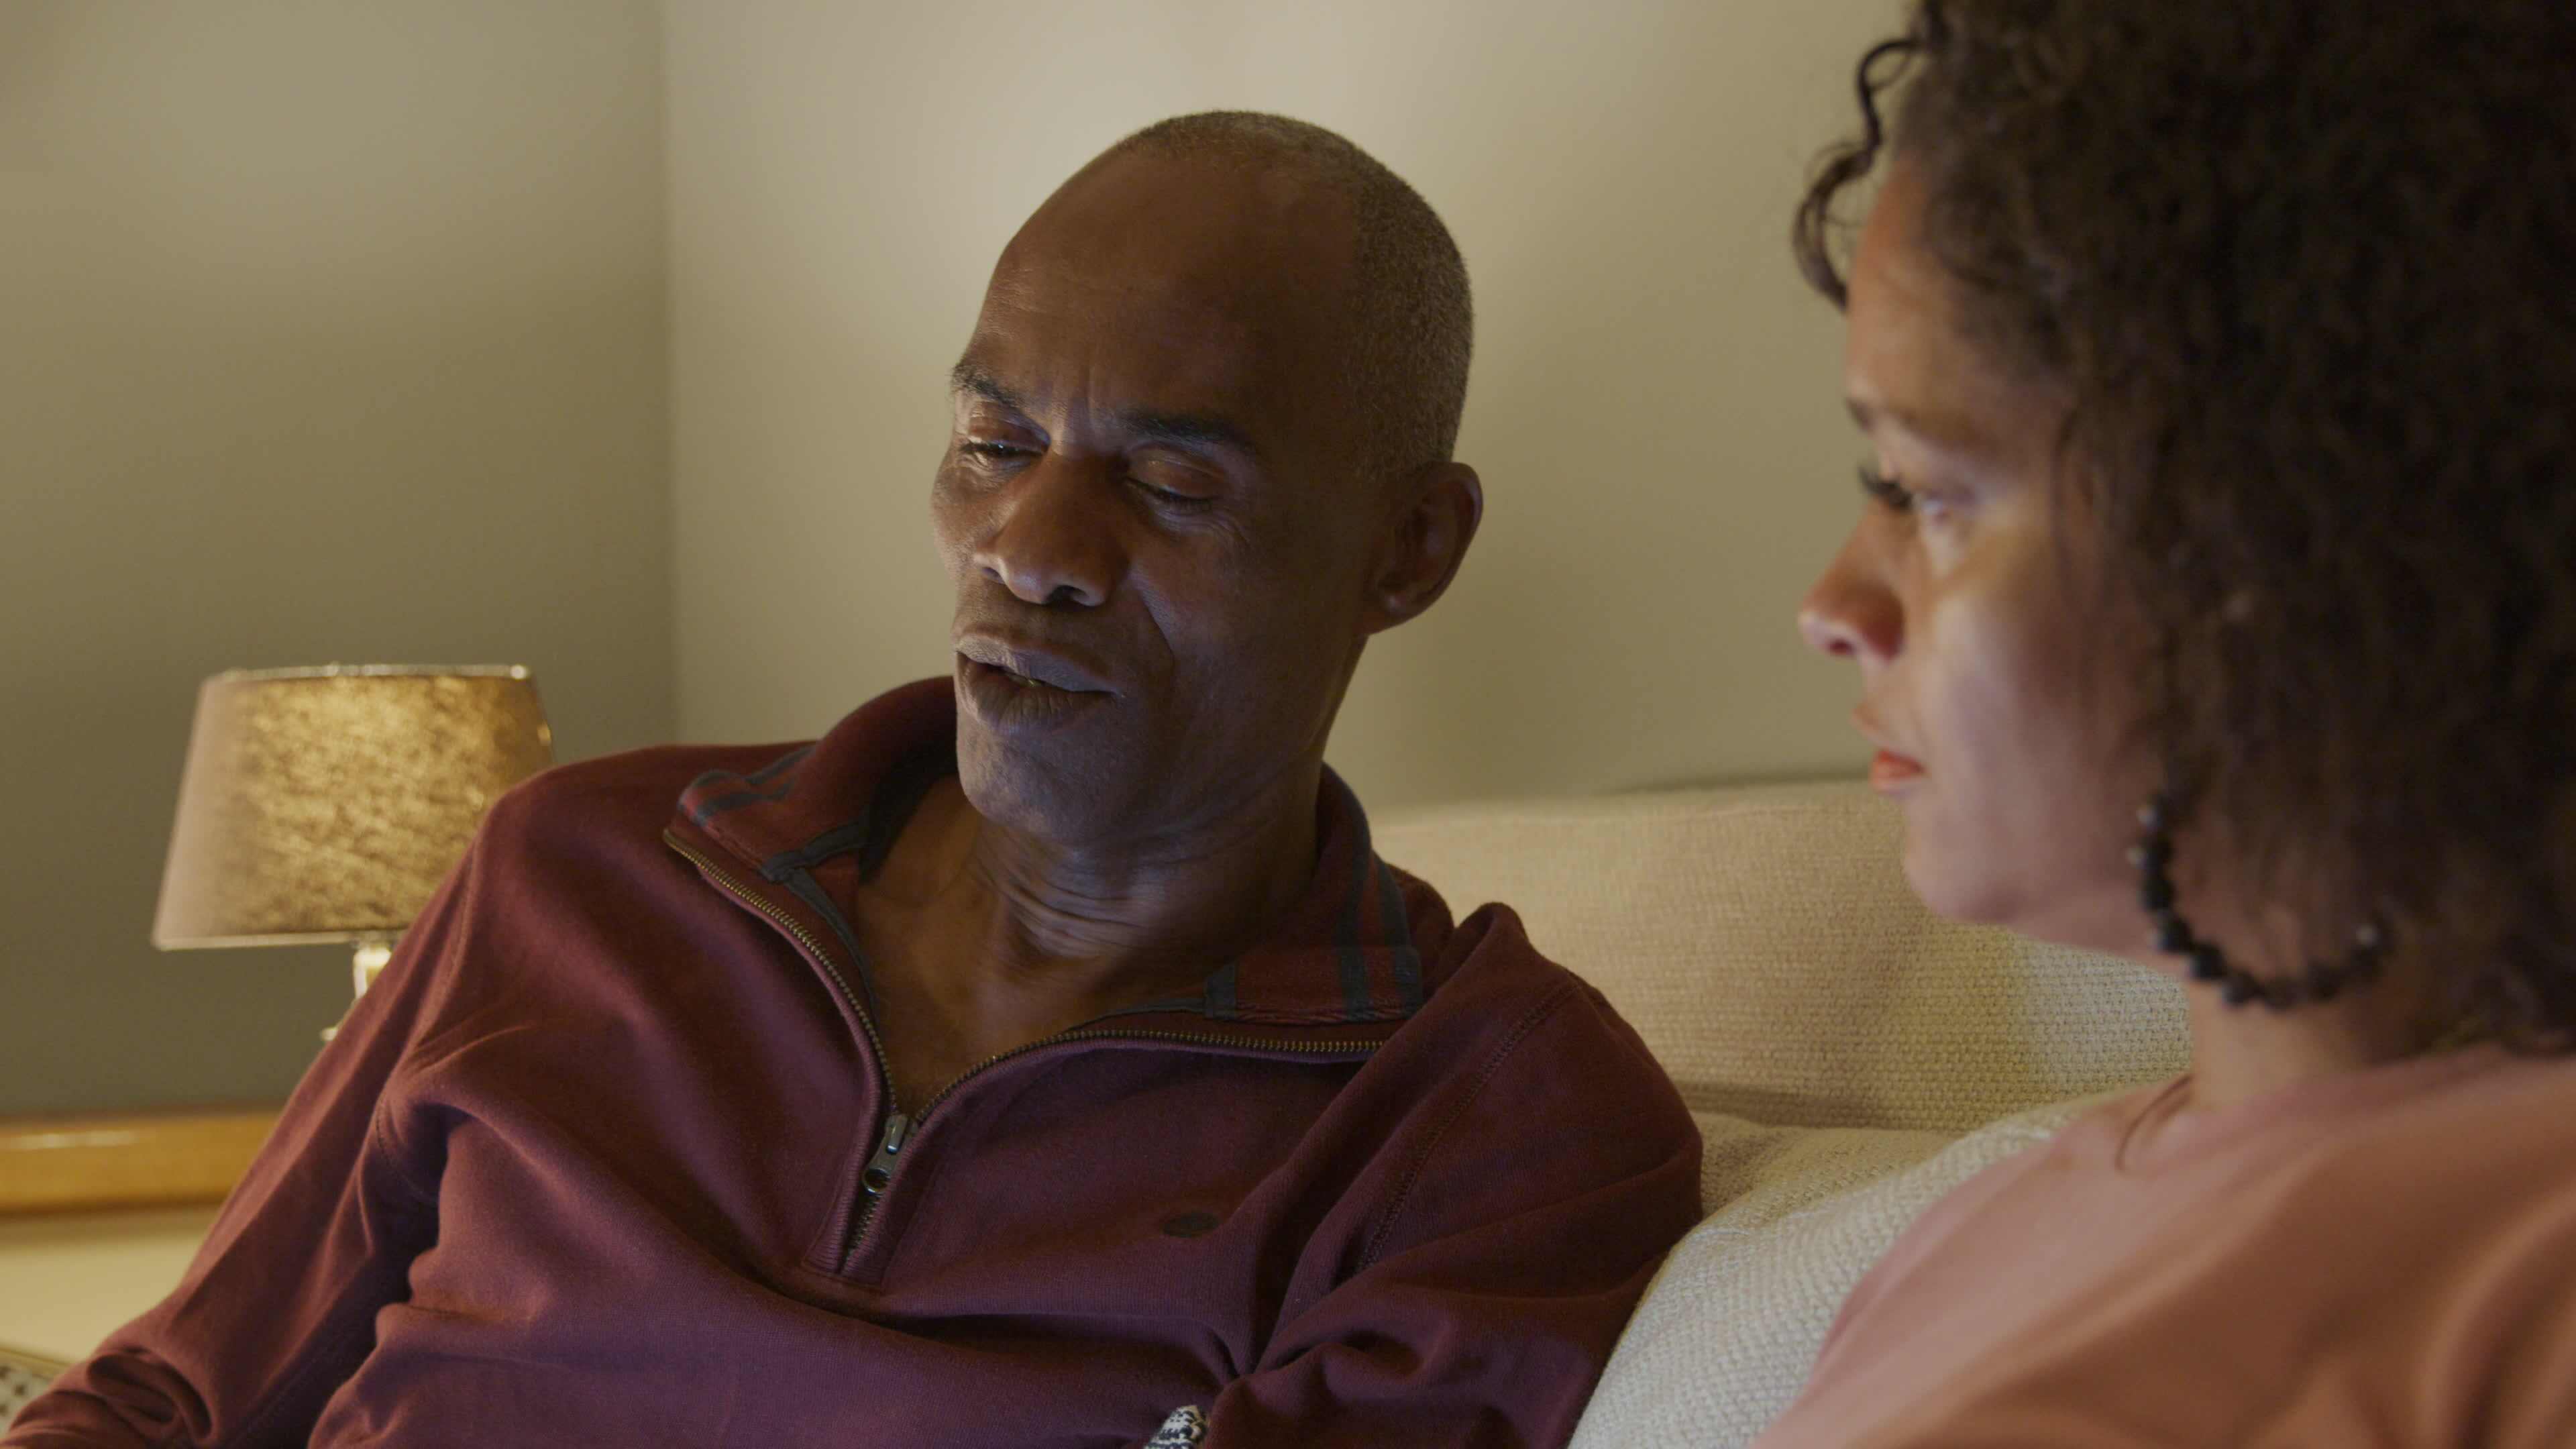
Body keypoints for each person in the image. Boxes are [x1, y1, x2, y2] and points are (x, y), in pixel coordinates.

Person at [7, 113, 1699, 1449]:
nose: (1030, 550)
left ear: (1410, 548)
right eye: (994, 443)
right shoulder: (580, 870)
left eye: (1171, 479)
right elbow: (175, 1403)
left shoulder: (1489, 1126)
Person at [1761, 0, 2576, 1442]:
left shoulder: (2525, 1268)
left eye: (1929, 491)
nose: (1834, 603)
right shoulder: (1969, 1241)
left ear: (2284, 526)